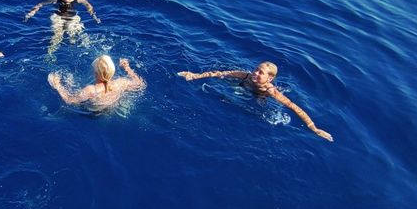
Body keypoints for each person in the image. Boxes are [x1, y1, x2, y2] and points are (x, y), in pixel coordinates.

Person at [178, 61, 334, 141]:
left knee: (260, 104)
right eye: (256, 69)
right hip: (243, 86)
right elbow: (217, 73)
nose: (256, 73)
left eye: (261, 73)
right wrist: (195, 75)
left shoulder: (271, 91)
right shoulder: (244, 75)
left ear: (270, 78)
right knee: (228, 87)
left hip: (259, 95)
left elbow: (294, 107)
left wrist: (314, 128)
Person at [24, 0, 100, 55]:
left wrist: (94, 16)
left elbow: (88, 5)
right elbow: (41, 4)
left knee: (74, 35)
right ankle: (50, 53)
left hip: (72, 18)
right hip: (58, 17)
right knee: (57, 36)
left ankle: (79, 51)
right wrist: (32, 12)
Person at [48, 54, 145, 110]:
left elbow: (69, 100)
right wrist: (126, 67)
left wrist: (57, 84)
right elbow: (139, 83)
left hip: (94, 113)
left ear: (95, 73)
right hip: (112, 107)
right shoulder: (120, 83)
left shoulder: (91, 90)